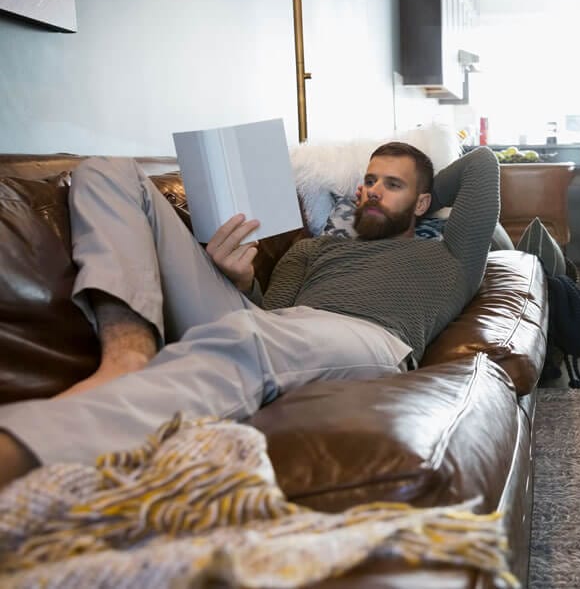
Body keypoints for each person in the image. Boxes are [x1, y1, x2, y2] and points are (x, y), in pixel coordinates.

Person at [0, 143, 499, 489]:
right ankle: (128, 352)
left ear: (425, 201)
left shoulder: (451, 256)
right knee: (108, 170)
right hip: (273, 327)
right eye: (368, 180)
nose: (372, 191)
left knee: (248, 337)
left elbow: (481, 165)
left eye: (393, 185)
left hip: (367, 340)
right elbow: (269, 315)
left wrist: (422, 180)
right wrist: (239, 282)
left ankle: (26, 449)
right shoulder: (313, 251)